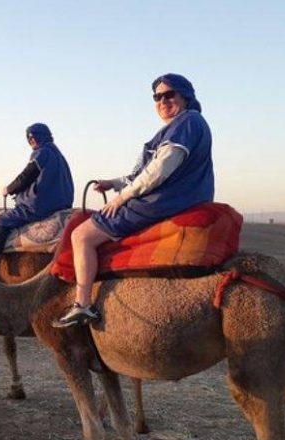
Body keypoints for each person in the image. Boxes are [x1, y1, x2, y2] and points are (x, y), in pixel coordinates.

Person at [55, 73, 214, 327]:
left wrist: (122, 198)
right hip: (177, 198)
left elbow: (160, 170)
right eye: (157, 97)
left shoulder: (187, 122)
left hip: (162, 201)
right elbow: (143, 173)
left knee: (81, 235)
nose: (162, 101)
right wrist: (114, 183)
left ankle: (82, 304)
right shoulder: (184, 124)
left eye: (169, 94)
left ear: (185, 96)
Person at [0, 122, 75, 269]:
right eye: (29, 139)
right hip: (61, 204)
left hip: (40, 206)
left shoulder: (42, 152)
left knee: (1, 221)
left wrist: (9, 189)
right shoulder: (59, 156)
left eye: (32, 138)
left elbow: (26, 176)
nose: (31, 142)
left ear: (38, 138)